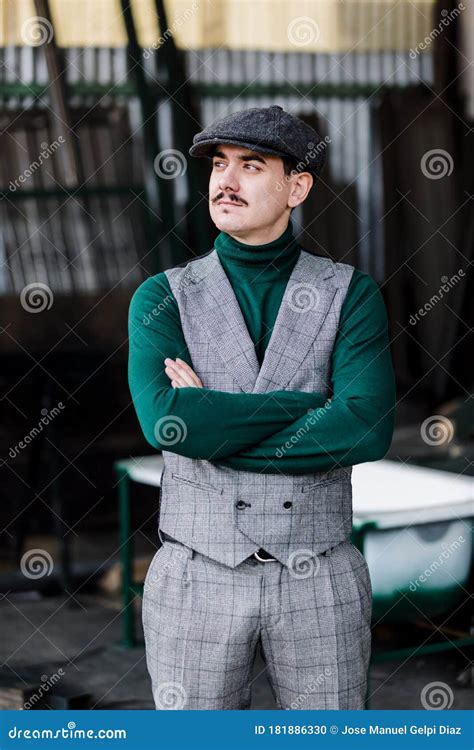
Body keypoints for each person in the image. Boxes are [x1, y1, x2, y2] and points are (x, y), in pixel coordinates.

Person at [128, 105, 396, 710]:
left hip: (319, 574)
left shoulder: (350, 294)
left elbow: (368, 429)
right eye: (220, 165)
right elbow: (167, 422)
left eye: (251, 166)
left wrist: (213, 421)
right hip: (197, 574)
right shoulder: (163, 296)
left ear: (296, 186)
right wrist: (311, 407)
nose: (226, 181)